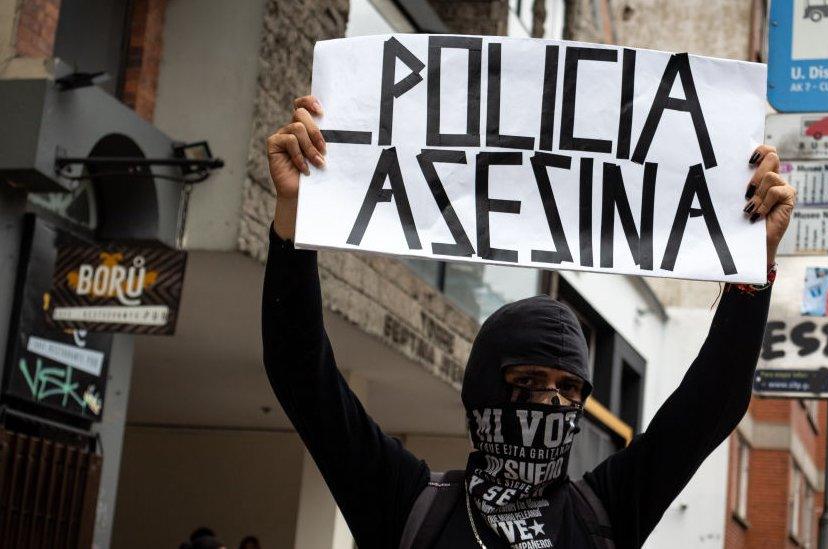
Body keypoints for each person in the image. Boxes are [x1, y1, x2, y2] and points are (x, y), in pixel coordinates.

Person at [263, 96, 796, 548]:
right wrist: (294, 216)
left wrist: (753, 265)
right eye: (527, 383)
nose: (550, 402)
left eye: (568, 389)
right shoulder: (410, 506)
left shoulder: (604, 513)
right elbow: (302, 375)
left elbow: (711, 403)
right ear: (483, 389)